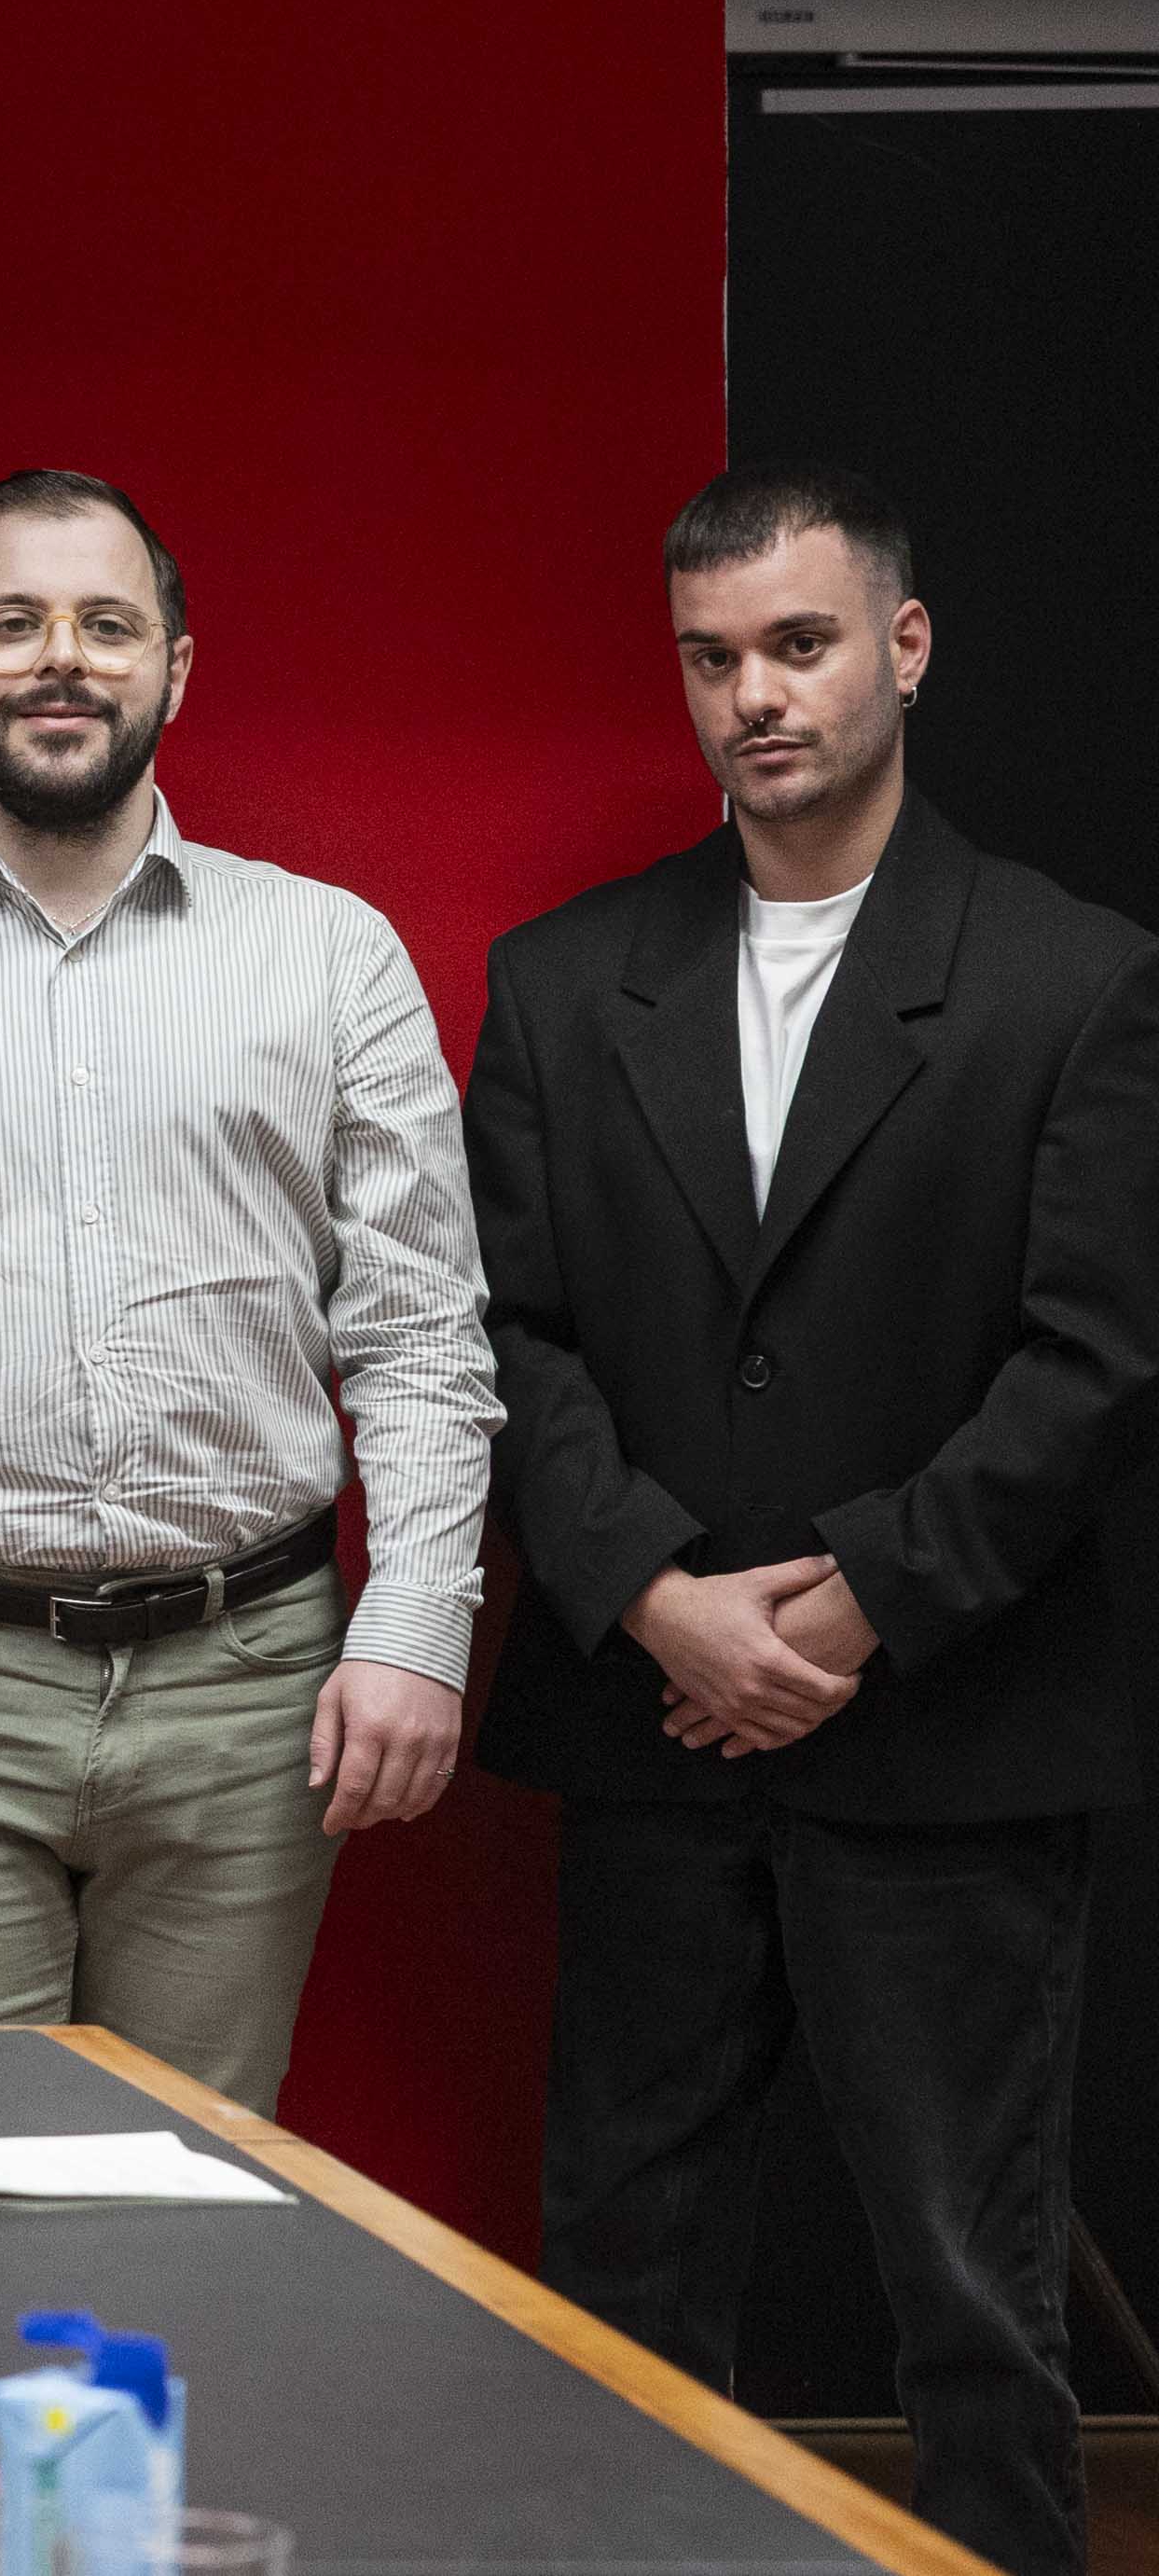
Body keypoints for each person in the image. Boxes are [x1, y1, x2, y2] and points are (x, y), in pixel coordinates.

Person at [472, 466, 1159, 2576]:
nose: (753, 696)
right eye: (711, 658)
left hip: (947, 1743)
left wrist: (857, 1604)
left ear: (903, 648)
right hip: (650, 1738)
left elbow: (1094, 1366)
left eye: (798, 644)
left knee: (968, 2291)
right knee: (623, 2276)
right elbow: (504, 1337)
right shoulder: (566, 979)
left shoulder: (1075, 979)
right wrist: (657, 1601)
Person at [0, 472, 497, 2114]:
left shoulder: (329, 953)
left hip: (254, 1686)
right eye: (11, 625)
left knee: (195, 2209)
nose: (58, 659)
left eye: (104, 625)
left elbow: (420, 1326)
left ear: (177, 667)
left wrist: (420, 1623)